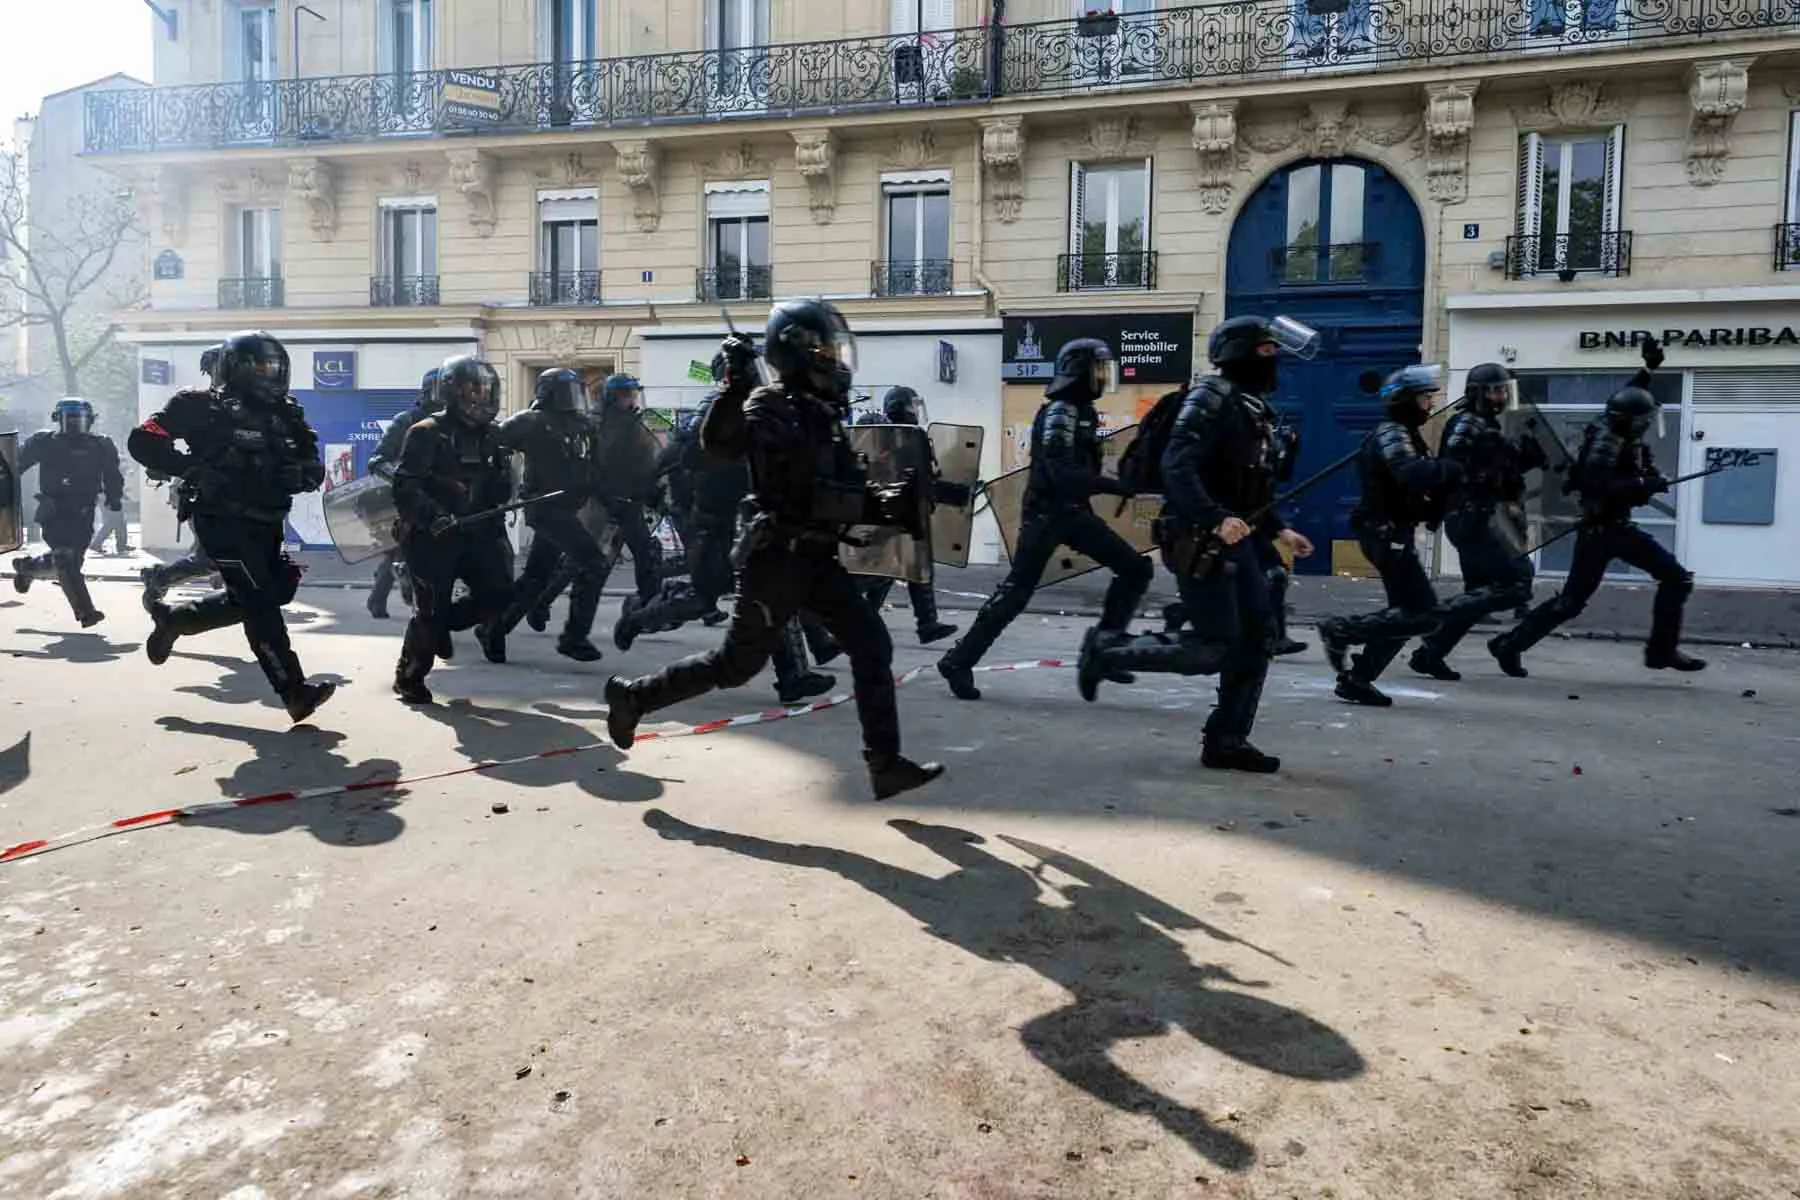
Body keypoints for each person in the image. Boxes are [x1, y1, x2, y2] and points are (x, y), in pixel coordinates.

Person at [603, 299, 942, 800]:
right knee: (735, 666)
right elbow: (717, 445)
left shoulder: (822, 412)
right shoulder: (769, 405)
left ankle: (885, 763)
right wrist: (735, 387)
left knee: (872, 645)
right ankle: (634, 698)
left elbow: (844, 490)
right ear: (798, 352)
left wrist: (891, 503)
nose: (834, 358)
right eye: (825, 348)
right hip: (777, 559)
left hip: (818, 558)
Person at [1078, 316, 1316, 773]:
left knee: (1258, 638)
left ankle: (1226, 740)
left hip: (1235, 537)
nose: (1273, 358)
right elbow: (1177, 466)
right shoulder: (1211, 397)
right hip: (1198, 536)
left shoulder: (1252, 407)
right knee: (1214, 646)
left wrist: (1279, 529)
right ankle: (1105, 651)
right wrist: (1215, 517)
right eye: (1265, 350)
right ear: (1240, 352)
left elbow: (1250, 487)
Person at [127, 331, 336, 722]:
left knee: (272, 593)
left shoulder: (288, 413)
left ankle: (175, 619)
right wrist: (191, 469)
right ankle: (293, 691)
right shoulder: (198, 404)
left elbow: (314, 465)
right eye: (259, 366)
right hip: (220, 519)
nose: (268, 374)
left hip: (268, 519)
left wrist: (302, 474)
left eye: (274, 367)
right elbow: (143, 440)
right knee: (258, 599)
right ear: (235, 368)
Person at [935, 339, 1154, 701]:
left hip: (1071, 513)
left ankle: (1104, 648)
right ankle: (958, 660)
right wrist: (1116, 486)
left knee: (1135, 570)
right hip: (1048, 516)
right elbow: (1063, 474)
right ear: (1079, 372)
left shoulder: (1079, 410)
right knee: (1016, 592)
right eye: (1097, 369)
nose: (1102, 376)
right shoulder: (1061, 412)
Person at [1488, 339, 1705, 676]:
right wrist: (1645, 484)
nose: (1648, 423)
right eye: (1645, 419)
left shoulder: (1613, 422)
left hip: (1611, 528)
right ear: (1632, 423)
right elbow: (1597, 486)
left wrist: (1648, 370)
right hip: (1605, 530)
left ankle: (1510, 644)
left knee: (1575, 602)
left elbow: (1626, 399)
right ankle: (1661, 651)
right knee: (1673, 579)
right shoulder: (1605, 445)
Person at [1318, 365, 1465, 707]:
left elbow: (1412, 490)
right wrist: (1453, 468)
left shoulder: (1405, 433)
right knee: (1423, 614)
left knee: (1407, 612)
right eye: (1424, 397)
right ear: (1405, 399)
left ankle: (1358, 679)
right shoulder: (1392, 433)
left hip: (1393, 533)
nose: (1429, 404)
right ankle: (1343, 629)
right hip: (1385, 535)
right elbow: (1411, 473)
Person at [1406, 361, 1546, 679]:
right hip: (1471, 518)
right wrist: (1491, 468)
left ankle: (1430, 654)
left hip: (1482, 515)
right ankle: (1433, 622)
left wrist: (1525, 458)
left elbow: (1498, 473)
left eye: (1502, 390)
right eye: (1493, 390)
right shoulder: (1466, 425)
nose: (1499, 397)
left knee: (1478, 593)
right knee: (1517, 581)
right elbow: (1453, 472)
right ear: (1476, 393)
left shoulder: (1489, 425)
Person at [390, 355, 516, 704]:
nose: (480, 396)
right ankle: (410, 677)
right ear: (452, 391)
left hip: (480, 534)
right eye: (473, 389)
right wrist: (434, 516)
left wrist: (504, 491)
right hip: (434, 538)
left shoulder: (494, 435)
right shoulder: (426, 432)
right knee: (429, 610)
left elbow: (498, 483)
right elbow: (405, 487)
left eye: (486, 389)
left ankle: (443, 625)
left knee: (500, 593)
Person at [479, 368, 608, 663]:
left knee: (537, 576)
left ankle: (494, 627)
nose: (574, 398)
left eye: (577, 391)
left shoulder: (580, 424)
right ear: (549, 392)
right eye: (567, 390)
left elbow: (592, 467)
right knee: (594, 564)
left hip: (566, 507)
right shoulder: (531, 421)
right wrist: (495, 481)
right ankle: (573, 637)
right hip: (545, 507)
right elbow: (492, 442)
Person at [853, 385, 960, 646]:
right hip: (885, 518)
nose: (916, 410)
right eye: (912, 405)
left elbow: (924, 479)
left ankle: (925, 623)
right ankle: (843, 617)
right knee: (879, 575)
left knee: (910, 567)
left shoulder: (914, 439)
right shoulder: (884, 438)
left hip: (903, 519)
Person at [12, 397, 123, 627]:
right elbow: (15, 465)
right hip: (54, 509)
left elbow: (112, 474)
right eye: (70, 419)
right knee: (65, 558)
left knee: (70, 564)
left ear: (90, 421)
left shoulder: (101, 445)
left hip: (84, 512)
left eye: (79, 419)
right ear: (58, 419)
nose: (74, 424)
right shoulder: (44, 441)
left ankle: (28, 567)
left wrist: (114, 498)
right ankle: (86, 612)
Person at [140, 345, 225, 610]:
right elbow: (152, 438)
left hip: (252, 493)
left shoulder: (263, 405)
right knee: (209, 557)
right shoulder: (195, 403)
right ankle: (162, 578)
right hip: (208, 492)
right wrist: (175, 464)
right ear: (210, 370)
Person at [365, 367, 441, 619]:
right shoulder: (407, 421)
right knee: (401, 549)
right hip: (408, 497)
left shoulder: (456, 424)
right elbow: (378, 460)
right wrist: (405, 481)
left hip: (442, 498)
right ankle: (384, 600)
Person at [589, 373, 664, 627]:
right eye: (625, 395)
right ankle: (543, 603)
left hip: (629, 500)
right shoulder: (603, 424)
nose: (631, 400)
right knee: (589, 562)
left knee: (644, 553)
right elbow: (606, 465)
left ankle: (649, 607)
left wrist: (653, 487)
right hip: (608, 501)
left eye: (632, 394)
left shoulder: (633, 423)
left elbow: (644, 461)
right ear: (612, 397)